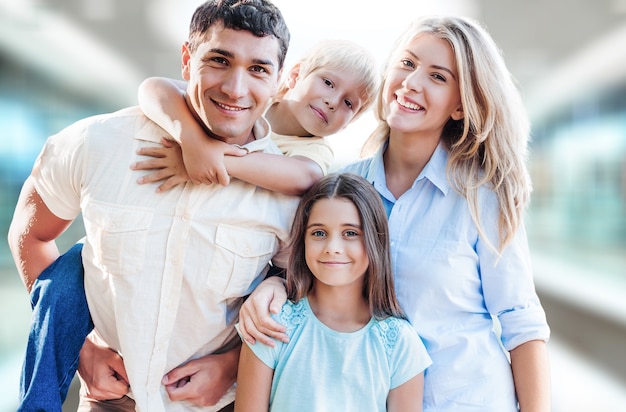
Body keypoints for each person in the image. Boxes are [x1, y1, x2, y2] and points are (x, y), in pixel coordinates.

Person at [237, 15, 552, 412]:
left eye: (438, 77)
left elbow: (521, 322)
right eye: (407, 63)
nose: (412, 82)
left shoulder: (480, 197)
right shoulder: (341, 189)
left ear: (460, 106)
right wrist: (275, 286)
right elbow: (307, 284)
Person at [7, 0, 296, 411]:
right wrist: (82, 351)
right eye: (219, 60)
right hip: (111, 402)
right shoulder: (98, 143)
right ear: (186, 60)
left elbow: (304, 294)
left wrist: (235, 365)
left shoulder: (290, 193)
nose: (235, 88)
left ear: (278, 80)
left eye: (258, 69)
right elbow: (30, 233)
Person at [234, 173, 431, 412]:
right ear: (302, 240)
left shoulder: (400, 342)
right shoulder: (272, 325)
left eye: (350, 233)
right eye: (319, 233)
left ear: (374, 240)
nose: (332, 248)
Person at [132, 38, 378, 195]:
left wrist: (210, 160)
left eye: (348, 103)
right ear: (294, 75)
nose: (332, 102)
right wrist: (193, 142)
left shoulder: (314, 149)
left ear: (350, 123)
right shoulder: (248, 99)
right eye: (327, 82)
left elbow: (305, 177)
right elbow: (154, 88)